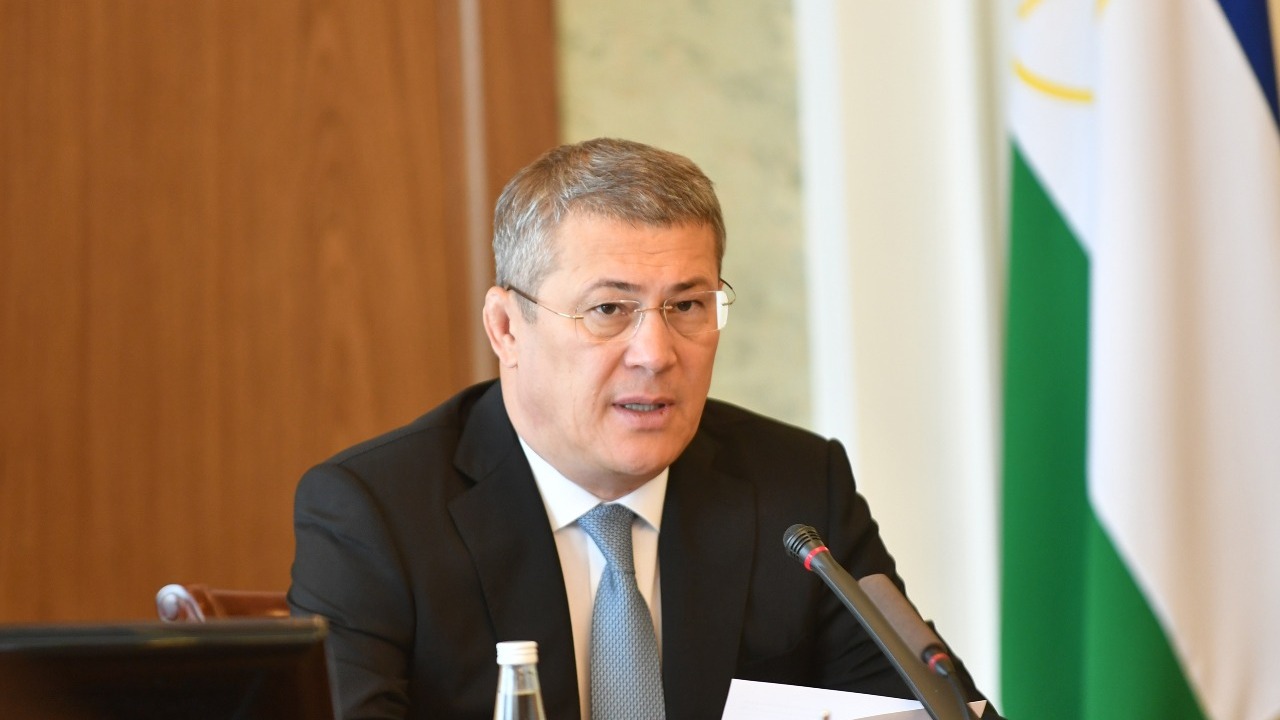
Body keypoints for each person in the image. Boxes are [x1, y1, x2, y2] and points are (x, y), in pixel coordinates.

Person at [289, 137, 998, 720]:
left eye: (687, 306)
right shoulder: (376, 515)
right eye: (608, 310)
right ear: (507, 328)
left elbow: (927, 708)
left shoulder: (797, 491)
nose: (656, 355)